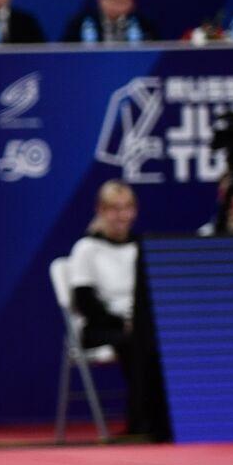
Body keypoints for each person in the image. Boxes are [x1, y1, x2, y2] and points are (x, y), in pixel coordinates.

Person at [67, 181, 166, 437]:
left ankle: (163, 423)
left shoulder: (140, 247)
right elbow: (85, 300)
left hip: (139, 325)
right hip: (99, 328)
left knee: (153, 341)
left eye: (127, 208)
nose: (121, 216)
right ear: (100, 210)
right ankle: (139, 425)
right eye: (114, 209)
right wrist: (121, 323)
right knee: (136, 343)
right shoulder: (86, 249)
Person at [62, 0, 158, 43]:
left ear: (132, 3)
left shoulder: (145, 26)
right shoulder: (79, 24)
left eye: (121, 0)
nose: (114, 4)